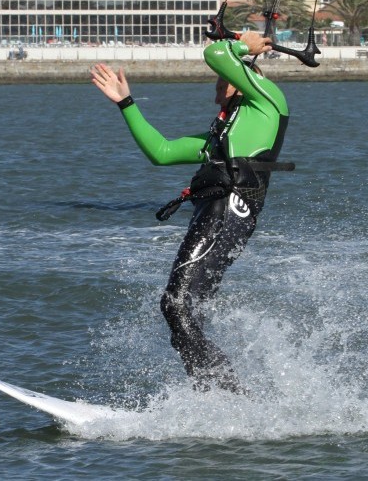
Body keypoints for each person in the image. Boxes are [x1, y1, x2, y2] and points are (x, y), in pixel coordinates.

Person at [91, 31, 289, 394]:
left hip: (227, 211)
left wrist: (245, 45)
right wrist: (126, 103)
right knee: (181, 313)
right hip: (216, 215)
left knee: (175, 305)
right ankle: (219, 398)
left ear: (243, 82)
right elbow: (162, 152)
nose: (215, 94)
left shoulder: (268, 101)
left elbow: (215, 52)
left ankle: (229, 397)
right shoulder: (222, 137)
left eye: (221, 85)